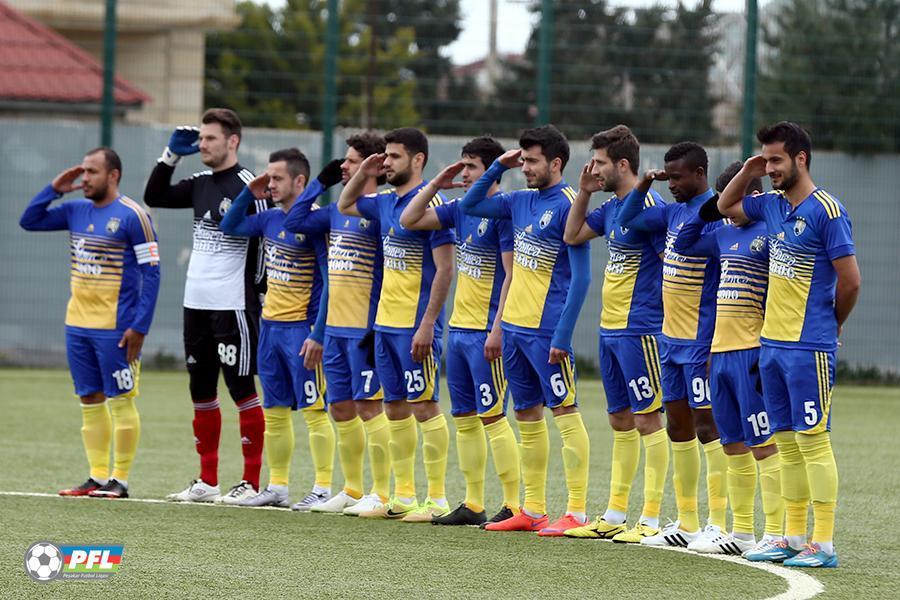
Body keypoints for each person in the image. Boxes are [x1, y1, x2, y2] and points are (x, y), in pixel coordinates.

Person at [717, 122, 861, 568]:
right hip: (771, 346)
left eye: (776, 160)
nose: (770, 168)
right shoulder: (772, 205)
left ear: (801, 158)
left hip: (808, 347)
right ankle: (793, 537)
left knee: (813, 441)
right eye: (765, 160)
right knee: (787, 443)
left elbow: (851, 281)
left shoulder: (827, 211)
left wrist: (832, 324)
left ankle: (824, 543)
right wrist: (749, 169)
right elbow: (725, 205)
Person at [460, 125, 592, 536]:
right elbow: (471, 204)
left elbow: (583, 279)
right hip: (514, 329)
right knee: (527, 416)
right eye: (523, 160)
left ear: (556, 162)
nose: (526, 168)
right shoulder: (518, 201)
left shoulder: (570, 204)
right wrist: (497, 166)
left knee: (565, 413)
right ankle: (533, 509)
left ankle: (576, 511)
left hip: (547, 332)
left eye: (532, 161)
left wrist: (563, 336)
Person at [145, 108, 270, 505]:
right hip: (195, 303)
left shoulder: (250, 186)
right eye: (200, 138)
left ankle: (251, 482)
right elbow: (155, 196)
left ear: (233, 141)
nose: (202, 145)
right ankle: (207, 480)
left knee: (241, 388)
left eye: (210, 138)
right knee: (200, 389)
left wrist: (261, 296)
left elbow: (264, 244)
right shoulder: (200, 183)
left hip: (232, 305)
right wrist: (170, 156)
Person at [20, 147, 160, 499]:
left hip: (116, 328)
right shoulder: (74, 210)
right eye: (83, 171)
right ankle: (97, 477)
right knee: (89, 399)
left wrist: (140, 326)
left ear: (113, 175)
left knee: (121, 400)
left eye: (92, 172)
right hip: (77, 324)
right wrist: (54, 188)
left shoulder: (134, 216)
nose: (85, 178)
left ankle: (120, 480)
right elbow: (29, 220)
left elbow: (152, 274)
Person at [399, 136, 522, 527]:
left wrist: (498, 328)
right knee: (465, 417)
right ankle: (473, 503)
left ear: (490, 171)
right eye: (463, 165)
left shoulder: (502, 213)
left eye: (471, 167)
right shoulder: (459, 209)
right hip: (459, 331)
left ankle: (513, 504)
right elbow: (409, 219)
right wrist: (437, 183)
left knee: (493, 417)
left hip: (485, 331)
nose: (464, 173)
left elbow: (511, 275)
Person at [337, 127, 455, 522]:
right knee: (395, 408)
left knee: (425, 406)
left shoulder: (431, 204)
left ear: (418, 160)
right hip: (385, 324)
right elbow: (345, 203)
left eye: (394, 156)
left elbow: (445, 269)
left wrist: (428, 324)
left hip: (414, 325)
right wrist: (365, 170)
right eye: (384, 156)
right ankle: (403, 495)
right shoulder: (385, 202)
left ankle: (437, 499)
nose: (386, 162)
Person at [561, 125, 670, 543]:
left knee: (647, 419)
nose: (593, 168)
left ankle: (651, 518)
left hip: (641, 329)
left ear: (623, 165)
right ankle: (614, 513)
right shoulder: (610, 208)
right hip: (611, 330)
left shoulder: (651, 208)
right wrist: (584, 192)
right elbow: (572, 235)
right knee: (619, 419)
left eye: (600, 163)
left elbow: (670, 268)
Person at [617, 142, 729, 547]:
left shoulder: (715, 216)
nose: (673, 184)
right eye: (669, 177)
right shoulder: (670, 213)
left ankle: (720, 524)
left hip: (701, 343)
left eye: (678, 177)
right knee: (678, 428)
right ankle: (687, 523)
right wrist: (645, 181)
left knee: (707, 427)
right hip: (670, 342)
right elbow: (628, 218)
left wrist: (716, 342)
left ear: (700, 173)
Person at [672, 161, 785, 555]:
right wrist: (711, 209)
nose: (726, 210)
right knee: (732, 443)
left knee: (763, 444)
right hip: (719, 354)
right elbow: (684, 242)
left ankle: (775, 532)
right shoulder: (721, 233)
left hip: (753, 352)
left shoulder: (770, 233)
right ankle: (742, 533)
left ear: (753, 198)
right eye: (723, 202)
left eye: (732, 201)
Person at [283, 132, 391, 515]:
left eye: (350, 161)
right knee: (341, 409)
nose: (343, 166)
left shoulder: (379, 210)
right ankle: (352, 489)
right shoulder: (335, 210)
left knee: (369, 407)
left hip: (365, 329)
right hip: (334, 329)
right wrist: (320, 182)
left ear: (372, 166)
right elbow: (294, 220)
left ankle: (382, 492)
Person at [219, 148, 330, 509]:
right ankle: (278, 486)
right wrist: (247, 193)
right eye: (269, 178)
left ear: (300, 181)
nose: (271, 184)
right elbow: (230, 225)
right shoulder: (268, 219)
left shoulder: (314, 222)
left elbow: (330, 280)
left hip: (301, 330)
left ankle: (323, 487)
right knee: (276, 410)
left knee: (314, 410)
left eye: (277, 178)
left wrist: (318, 332)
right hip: (270, 327)